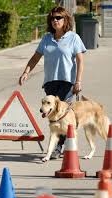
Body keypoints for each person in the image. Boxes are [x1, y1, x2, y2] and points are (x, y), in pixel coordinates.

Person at [19, 6, 86, 159]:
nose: (55, 20)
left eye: (58, 18)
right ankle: (60, 145)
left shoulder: (73, 38)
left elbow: (80, 61)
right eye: (53, 18)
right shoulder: (46, 38)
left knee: (62, 115)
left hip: (67, 83)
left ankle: (58, 147)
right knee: (53, 115)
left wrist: (78, 81)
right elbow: (36, 57)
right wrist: (26, 72)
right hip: (50, 83)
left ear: (65, 20)